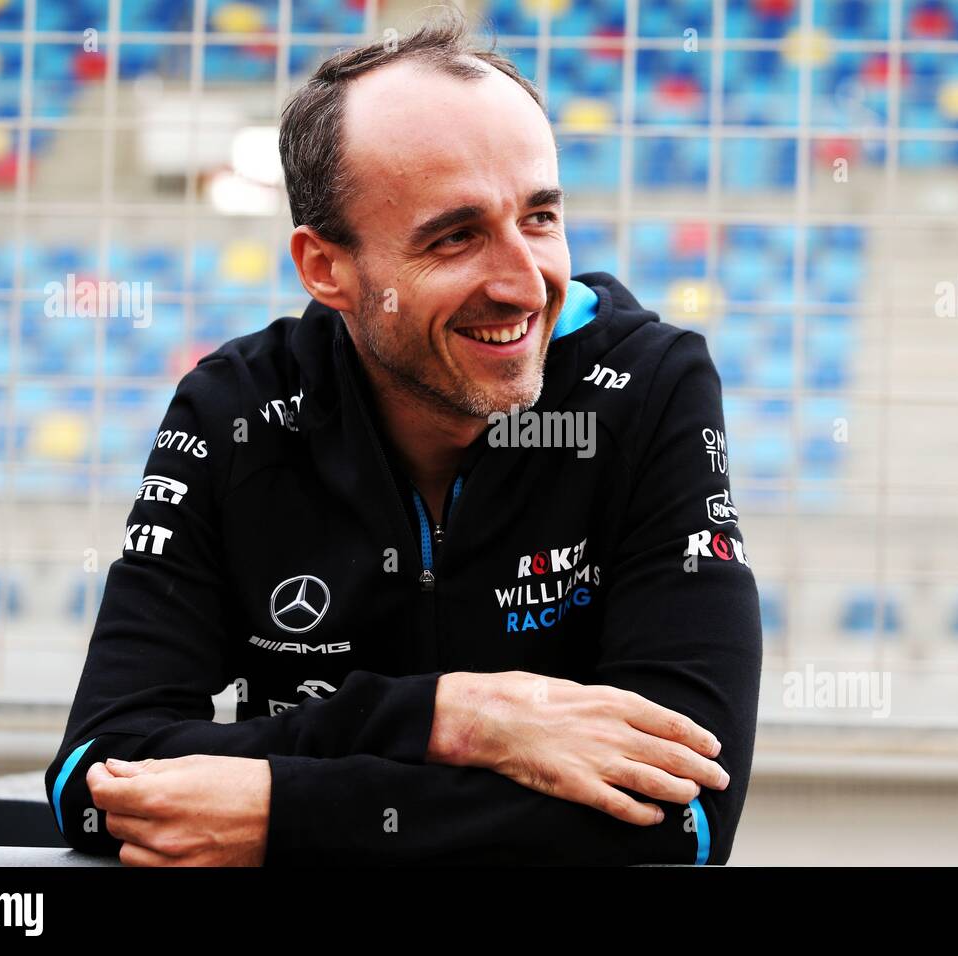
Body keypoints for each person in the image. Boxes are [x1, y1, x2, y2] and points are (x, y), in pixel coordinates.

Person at [45, 9, 762, 866]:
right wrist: (454, 720)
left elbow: (687, 817)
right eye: (455, 237)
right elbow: (98, 778)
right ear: (326, 269)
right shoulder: (235, 412)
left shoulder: (649, 388)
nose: (523, 283)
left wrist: (285, 811)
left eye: (539, 218)